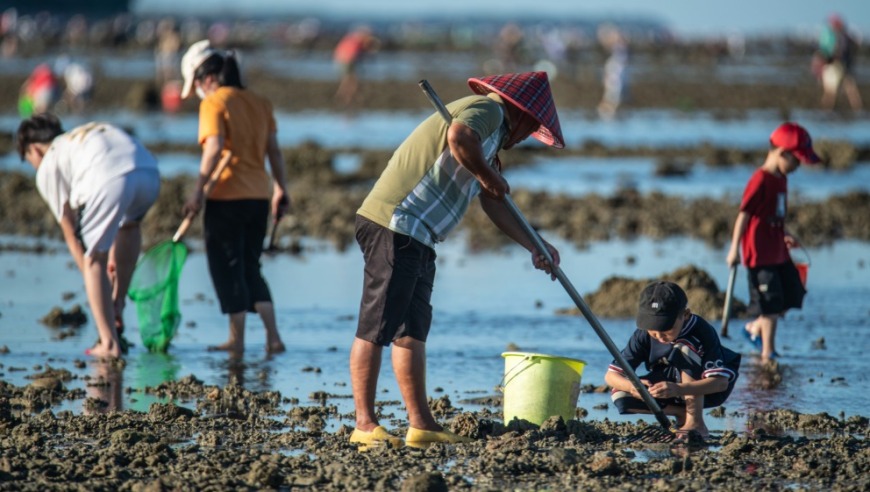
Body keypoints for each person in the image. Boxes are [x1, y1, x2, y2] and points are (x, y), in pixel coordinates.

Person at [350, 72, 564, 448]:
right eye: (533, 127)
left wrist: (536, 244)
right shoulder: (490, 111)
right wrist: (486, 174)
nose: (528, 136)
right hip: (396, 221)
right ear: (526, 116)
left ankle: (422, 425)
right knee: (377, 325)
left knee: (411, 331)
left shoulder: (492, 144)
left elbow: (493, 201)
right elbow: (459, 137)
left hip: (421, 235)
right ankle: (364, 425)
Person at [17, 114, 161, 359]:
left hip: (107, 177)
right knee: (129, 227)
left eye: (28, 160)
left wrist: (93, 274)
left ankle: (108, 343)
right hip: (148, 172)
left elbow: (69, 229)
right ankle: (118, 304)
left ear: (34, 150)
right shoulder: (79, 136)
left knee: (94, 260)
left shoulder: (49, 162)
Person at [179, 40, 290, 356]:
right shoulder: (260, 102)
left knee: (228, 268)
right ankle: (273, 336)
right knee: (251, 267)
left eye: (198, 83)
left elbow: (214, 147)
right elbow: (274, 151)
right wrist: (280, 187)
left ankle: (236, 340)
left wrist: (198, 190)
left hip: (226, 197)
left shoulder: (214, 104)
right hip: (258, 197)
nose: (199, 90)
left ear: (207, 78)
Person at [726, 122, 820, 362]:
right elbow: (744, 215)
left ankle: (755, 328)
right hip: (759, 254)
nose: (798, 166)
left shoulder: (782, 179)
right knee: (769, 303)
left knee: (792, 294)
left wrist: (785, 233)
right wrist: (734, 249)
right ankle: (768, 352)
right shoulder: (760, 179)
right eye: (796, 161)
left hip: (778, 250)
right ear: (781, 153)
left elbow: (775, 214)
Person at [605, 281, 740, 439]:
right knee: (620, 393)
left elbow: (720, 383)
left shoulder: (701, 330)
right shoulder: (642, 335)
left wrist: (679, 389)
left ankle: (696, 422)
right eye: (653, 330)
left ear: (685, 315)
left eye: (666, 328)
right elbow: (610, 376)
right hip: (669, 388)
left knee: (684, 347)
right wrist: (634, 387)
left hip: (707, 389)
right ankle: (680, 413)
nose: (660, 336)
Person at [817, 14, 862, 111]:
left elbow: (839, 51)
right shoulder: (834, 35)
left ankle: (829, 108)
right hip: (837, 64)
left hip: (839, 64)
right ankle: (829, 108)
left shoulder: (840, 36)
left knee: (842, 88)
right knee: (840, 88)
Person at [333, 26, 380, 107]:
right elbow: (356, 53)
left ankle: (345, 97)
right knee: (351, 80)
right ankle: (346, 97)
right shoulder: (357, 42)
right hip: (347, 60)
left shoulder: (350, 39)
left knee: (348, 79)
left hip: (341, 59)